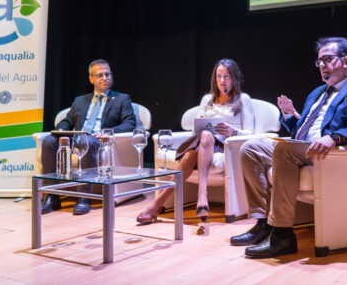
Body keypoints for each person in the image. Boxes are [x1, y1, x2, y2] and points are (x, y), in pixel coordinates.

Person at [230, 37, 347, 258]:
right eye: (319, 61)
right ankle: (263, 223)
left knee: (283, 151)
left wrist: (334, 138)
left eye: (327, 59)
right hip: (303, 147)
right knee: (250, 148)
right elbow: (300, 132)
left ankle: (282, 235)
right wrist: (289, 115)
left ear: (346, 60)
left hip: (329, 152)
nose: (321, 65)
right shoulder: (317, 93)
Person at [136, 58, 255, 224]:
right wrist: (200, 122)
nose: (222, 81)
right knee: (203, 137)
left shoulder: (243, 99)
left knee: (192, 153)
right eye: (218, 76)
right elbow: (195, 133)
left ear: (234, 77)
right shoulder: (207, 99)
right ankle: (201, 196)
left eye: (226, 76)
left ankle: (157, 205)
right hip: (204, 144)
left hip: (227, 147)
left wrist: (233, 131)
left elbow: (251, 133)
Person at [40, 59, 136, 215]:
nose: (105, 78)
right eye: (100, 75)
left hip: (97, 141)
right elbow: (67, 121)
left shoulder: (122, 99)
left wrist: (108, 132)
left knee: (89, 141)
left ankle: (84, 197)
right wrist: (61, 129)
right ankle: (52, 195)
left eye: (108, 74)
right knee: (49, 141)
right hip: (76, 139)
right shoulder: (80, 101)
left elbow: (130, 123)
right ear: (91, 78)